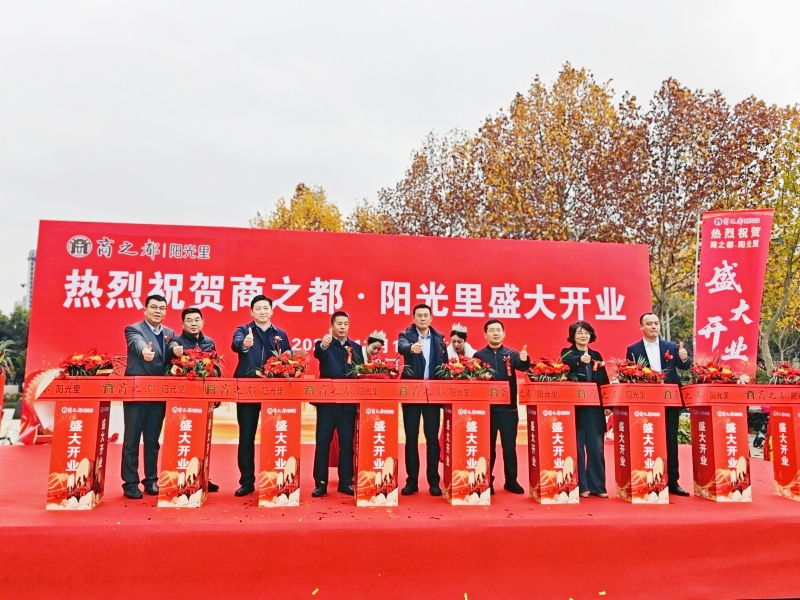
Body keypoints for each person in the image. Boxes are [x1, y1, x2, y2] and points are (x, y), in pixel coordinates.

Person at [626, 312, 692, 496]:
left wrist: (684, 358)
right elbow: (630, 373)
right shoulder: (633, 349)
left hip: (670, 399)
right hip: (646, 401)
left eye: (656, 323)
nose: (653, 326)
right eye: (649, 323)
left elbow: (684, 366)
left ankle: (673, 481)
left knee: (670, 439)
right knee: (648, 439)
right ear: (641, 327)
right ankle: (648, 478)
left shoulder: (670, 346)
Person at [231, 295, 290, 497]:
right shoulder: (243, 330)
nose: (262, 312)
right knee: (246, 436)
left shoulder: (280, 334)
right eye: (258, 308)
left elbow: (288, 359)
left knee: (274, 436)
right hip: (248, 390)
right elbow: (236, 344)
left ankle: (273, 479)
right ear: (251, 312)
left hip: (273, 392)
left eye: (266, 308)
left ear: (271, 311)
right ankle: (247, 481)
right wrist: (245, 344)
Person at [121, 294, 175, 500]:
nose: (157, 311)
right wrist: (145, 351)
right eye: (153, 307)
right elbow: (137, 343)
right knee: (132, 439)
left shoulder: (169, 333)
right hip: (137, 392)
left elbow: (171, 353)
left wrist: (177, 351)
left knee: (152, 440)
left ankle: (151, 480)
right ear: (145, 310)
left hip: (159, 393)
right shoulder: (133, 329)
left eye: (162, 308)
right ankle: (130, 483)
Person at [167, 306, 220, 492]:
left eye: (197, 320)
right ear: (182, 323)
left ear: (202, 322)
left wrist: (216, 395)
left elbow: (216, 368)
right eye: (189, 320)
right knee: (183, 438)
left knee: (202, 437)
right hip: (182, 400)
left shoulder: (209, 342)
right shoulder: (177, 341)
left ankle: (201, 476)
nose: (193, 323)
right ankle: (177, 476)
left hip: (203, 399)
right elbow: (171, 353)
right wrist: (175, 352)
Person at [474, 319, 530, 494]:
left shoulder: (512, 354)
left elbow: (523, 366)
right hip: (488, 411)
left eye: (498, 330)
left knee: (509, 447)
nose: (495, 333)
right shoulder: (478, 356)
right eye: (491, 330)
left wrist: (525, 359)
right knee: (487, 447)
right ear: (485, 334)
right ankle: (486, 481)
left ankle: (511, 481)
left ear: (504, 333)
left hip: (509, 410)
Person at [397, 303, 448, 496]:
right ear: (414, 318)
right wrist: (412, 348)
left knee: (432, 439)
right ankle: (412, 481)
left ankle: (434, 481)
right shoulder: (406, 335)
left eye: (426, 315)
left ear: (431, 318)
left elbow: (444, 364)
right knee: (411, 438)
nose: (423, 318)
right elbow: (401, 347)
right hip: (412, 393)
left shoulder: (439, 338)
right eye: (419, 315)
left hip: (432, 394)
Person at [311, 311, 362, 497]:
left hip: (347, 404)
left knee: (347, 445)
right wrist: (324, 345)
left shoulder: (355, 348)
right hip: (327, 404)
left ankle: (345, 482)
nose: (342, 327)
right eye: (339, 324)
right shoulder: (324, 344)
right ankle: (320, 483)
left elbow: (360, 372)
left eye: (345, 324)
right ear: (331, 326)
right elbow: (318, 352)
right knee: (322, 443)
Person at [560, 321, 610, 498]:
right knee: (577, 448)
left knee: (596, 448)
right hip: (576, 408)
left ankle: (598, 486)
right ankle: (581, 486)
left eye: (587, 333)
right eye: (580, 333)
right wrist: (580, 361)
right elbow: (567, 363)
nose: (583, 336)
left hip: (595, 409)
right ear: (573, 336)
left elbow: (604, 380)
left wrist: (607, 404)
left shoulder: (596, 355)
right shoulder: (567, 353)